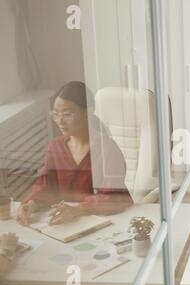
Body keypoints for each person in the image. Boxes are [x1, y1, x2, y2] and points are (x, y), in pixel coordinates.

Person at [17, 82, 133, 226]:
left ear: (87, 113)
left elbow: (114, 198)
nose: (60, 121)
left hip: (100, 222)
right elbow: (46, 186)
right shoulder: (56, 146)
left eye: (67, 114)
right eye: (55, 114)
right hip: (65, 221)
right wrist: (31, 203)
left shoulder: (107, 149)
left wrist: (76, 210)